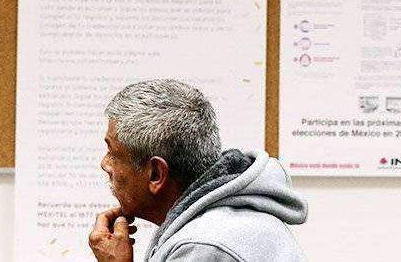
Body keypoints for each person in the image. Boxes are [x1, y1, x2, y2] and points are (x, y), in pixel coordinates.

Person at [89, 79, 307, 261]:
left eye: (113, 153)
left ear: (156, 174)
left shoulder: (203, 246)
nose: (105, 164)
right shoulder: (217, 227)